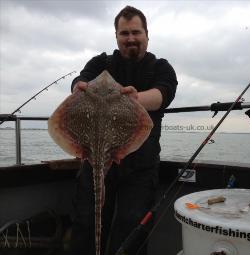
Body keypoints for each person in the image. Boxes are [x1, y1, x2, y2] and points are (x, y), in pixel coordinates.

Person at [69, 6, 177, 255]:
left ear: (147, 35)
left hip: (140, 165)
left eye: (136, 32)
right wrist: (78, 87)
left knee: (131, 228)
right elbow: (79, 82)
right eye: (124, 33)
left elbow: (162, 95)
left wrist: (134, 98)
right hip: (96, 159)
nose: (130, 38)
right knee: (87, 225)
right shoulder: (100, 63)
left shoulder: (161, 67)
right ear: (116, 36)